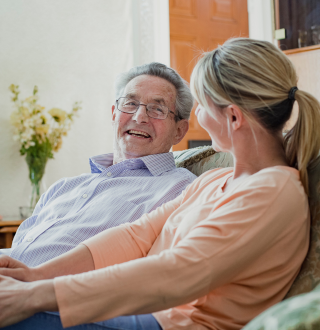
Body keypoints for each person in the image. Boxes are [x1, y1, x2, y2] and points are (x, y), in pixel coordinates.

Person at [1, 38, 320, 330]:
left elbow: (177, 273)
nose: (199, 118)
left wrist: (35, 296)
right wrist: (35, 276)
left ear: (233, 118)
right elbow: (134, 236)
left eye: (203, 108)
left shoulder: (273, 192)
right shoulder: (215, 180)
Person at [0, 62, 196, 267]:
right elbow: (17, 252)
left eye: (157, 108)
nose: (139, 117)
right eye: (130, 104)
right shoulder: (63, 187)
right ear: (114, 114)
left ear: (179, 131)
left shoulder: (182, 189)